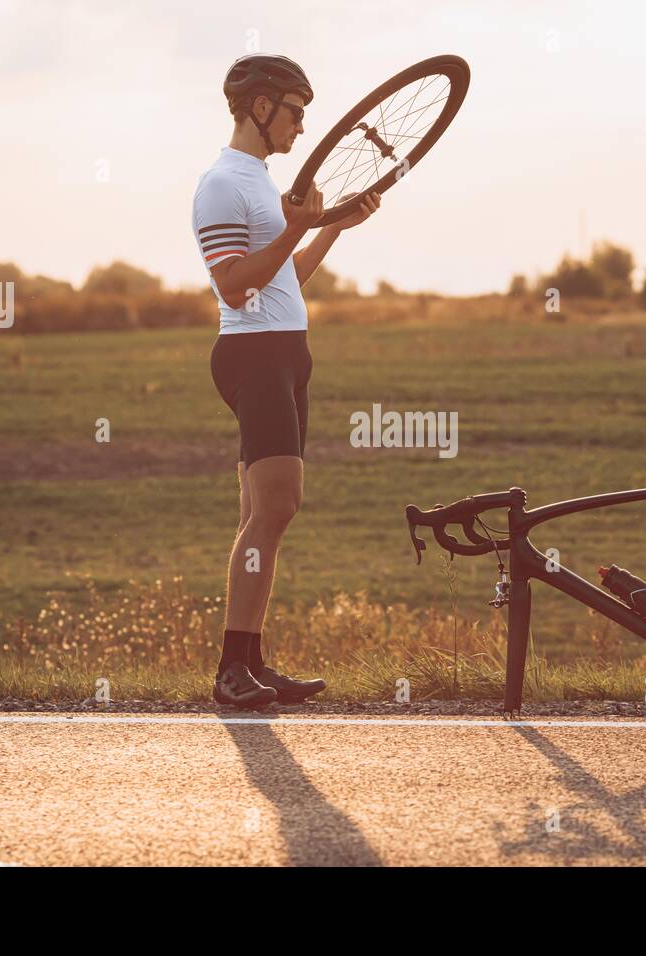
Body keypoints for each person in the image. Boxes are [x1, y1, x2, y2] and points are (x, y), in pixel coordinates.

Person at [193, 54, 381, 708]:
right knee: (277, 507)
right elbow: (233, 283)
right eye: (296, 112)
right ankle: (230, 670)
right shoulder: (223, 184)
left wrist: (329, 231)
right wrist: (300, 224)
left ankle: (249, 663)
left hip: (286, 352)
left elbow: (281, 277)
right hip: (253, 354)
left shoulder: (258, 182)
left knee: (262, 513)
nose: (303, 126)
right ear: (262, 107)